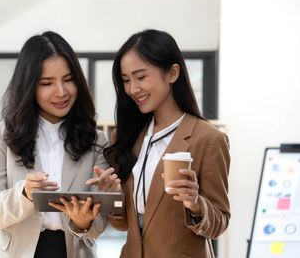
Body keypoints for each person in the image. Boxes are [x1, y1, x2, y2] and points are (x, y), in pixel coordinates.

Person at [92, 29, 230, 257]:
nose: (133, 89)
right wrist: (112, 197)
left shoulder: (209, 139)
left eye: (141, 77)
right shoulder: (125, 137)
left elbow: (220, 223)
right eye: (126, 80)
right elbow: (123, 224)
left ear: (173, 73)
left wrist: (195, 204)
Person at [0, 31, 115, 258]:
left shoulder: (96, 141)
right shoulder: (1, 136)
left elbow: (98, 225)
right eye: (47, 83)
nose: (61, 92)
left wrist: (83, 223)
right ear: (29, 87)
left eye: (68, 80)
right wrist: (24, 194)